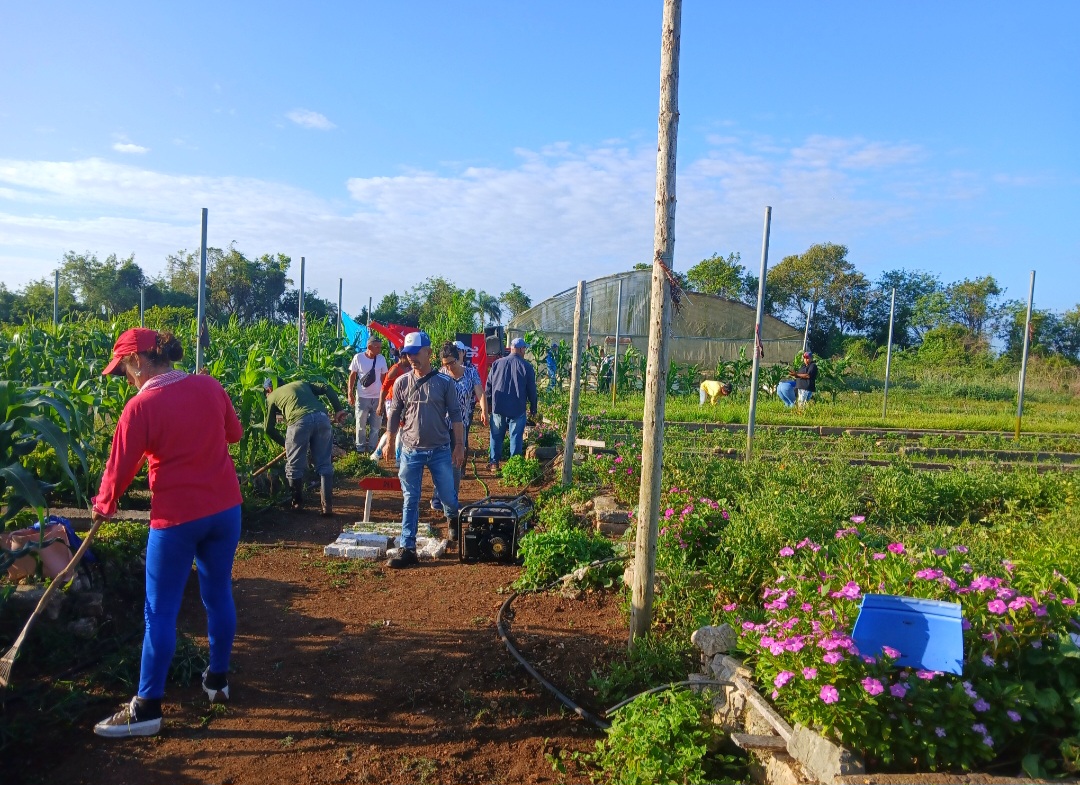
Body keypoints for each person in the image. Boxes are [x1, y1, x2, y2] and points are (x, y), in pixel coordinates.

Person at [91, 328, 242, 738]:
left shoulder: (141, 407)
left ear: (138, 361)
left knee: (159, 611)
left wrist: (104, 505)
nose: (126, 378)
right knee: (218, 593)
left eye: (124, 369)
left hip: (177, 518)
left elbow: (118, 469)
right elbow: (235, 434)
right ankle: (218, 680)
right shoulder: (209, 385)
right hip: (225, 509)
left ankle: (148, 707)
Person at [384, 331, 465, 567]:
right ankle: (407, 547)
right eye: (407, 353)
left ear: (428, 352)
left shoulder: (445, 383)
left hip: (440, 449)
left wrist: (459, 445)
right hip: (411, 449)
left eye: (416, 352)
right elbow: (394, 414)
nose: (411, 358)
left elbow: (457, 415)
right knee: (411, 498)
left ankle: (451, 518)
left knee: (449, 496)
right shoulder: (401, 382)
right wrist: (390, 440)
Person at [263, 378, 346, 515]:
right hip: (322, 418)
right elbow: (326, 387)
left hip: (298, 423)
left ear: (269, 389)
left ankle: (297, 504)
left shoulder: (272, 396)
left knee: (294, 467)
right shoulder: (301, 383)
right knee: (324, 464)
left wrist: (285, 444)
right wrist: (338, 409)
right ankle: (327, 507)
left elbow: (268, 429)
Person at [431, 342, 489, 514]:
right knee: (441, 462)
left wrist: (484, 410)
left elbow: (480, 392)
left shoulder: (471, 373)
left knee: (456, 462)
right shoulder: (441, 375)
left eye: (451, 363)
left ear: (458, 359)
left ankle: (452, 499)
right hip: (441, 425)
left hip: (460, 426)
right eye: (445, 364)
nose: (449, 367)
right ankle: (437, 498)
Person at [486, 337, 537, 471]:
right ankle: (514, 466)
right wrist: (533, 407)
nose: (524, 351)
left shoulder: (497, 364)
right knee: (515, 436)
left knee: (496, 436)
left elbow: (489, 385)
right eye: (524, 349)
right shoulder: (527, 366)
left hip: (499, 406)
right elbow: (532, 389)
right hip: (517, 407)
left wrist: (488, 403)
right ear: (520, 349)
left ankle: (494, 463)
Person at [348, 336, 388, 453]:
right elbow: (352, 376)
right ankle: (360, 449)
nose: (379, 350)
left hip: (377, 398)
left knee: (376, 426)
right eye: (377, 347)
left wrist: (383, 396)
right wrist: (350, 392)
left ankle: (372, 449)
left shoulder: (381, 359)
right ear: (369, 347)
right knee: (360, 425)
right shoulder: (358, 358)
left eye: (380, 347)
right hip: (362, 397)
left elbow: (384, 378)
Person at [372, 353, 411, 461]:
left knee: (401, 429)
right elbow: (384, 388)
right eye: (409, 356)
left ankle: (379, 454)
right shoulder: (395, 369)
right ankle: (388, 455)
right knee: (395, 429)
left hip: (403, 402)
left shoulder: (409, 368)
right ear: (403, 356)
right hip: (392, 401)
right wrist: (380, 405)